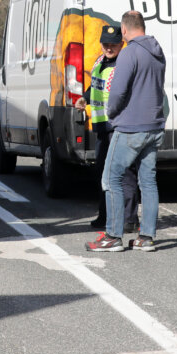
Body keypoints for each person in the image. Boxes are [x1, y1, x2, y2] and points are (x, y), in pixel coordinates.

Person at [86, 11, 166, 253]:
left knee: (110, 179)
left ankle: (112, 235)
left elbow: (118, 92)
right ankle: (146, 237)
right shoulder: (157, 50)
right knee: (148, 183)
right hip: (154, 126)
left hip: (131, 127)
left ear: (124, 29)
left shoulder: (129, 52)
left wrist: (112, 112)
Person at [74, 25, 139, 232]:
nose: (108, 48)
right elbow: (95, 85)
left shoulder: (124, 64)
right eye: (105, 44)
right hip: (102, 126)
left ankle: (129, 220)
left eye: (113, 44)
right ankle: (105, 215)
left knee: (125, 173)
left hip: (119, 126)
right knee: (103, 173)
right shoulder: (100, 62)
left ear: (122, 44)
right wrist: (84, 98)